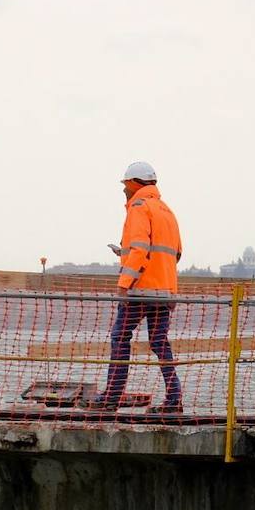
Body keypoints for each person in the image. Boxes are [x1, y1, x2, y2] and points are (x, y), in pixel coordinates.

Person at [86, 161, 184, 414]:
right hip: (164, 291)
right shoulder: (166, 210)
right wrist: (125, 253)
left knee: (120, 337)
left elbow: (141, 248)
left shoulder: (139, 207)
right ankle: (174, 399)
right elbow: (175, 253)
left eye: (124, 186)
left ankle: (111, 398)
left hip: (140, 291)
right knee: (159, 342)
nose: (123, 191)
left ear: (133, 184)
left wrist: (124, 283)